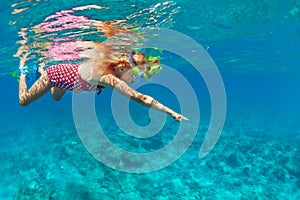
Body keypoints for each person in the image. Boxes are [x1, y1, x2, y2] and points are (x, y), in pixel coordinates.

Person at [17, 6, 188, 122]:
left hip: (66, 81)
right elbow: (139, 98)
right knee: (24, 101)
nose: (137, 78)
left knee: (55, 98)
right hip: (55, 74)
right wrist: (171, 112)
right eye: (136, 73)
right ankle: (24, 71)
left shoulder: (111, 69)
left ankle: (41, 70)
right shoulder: (108, 78)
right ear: (123, 67)